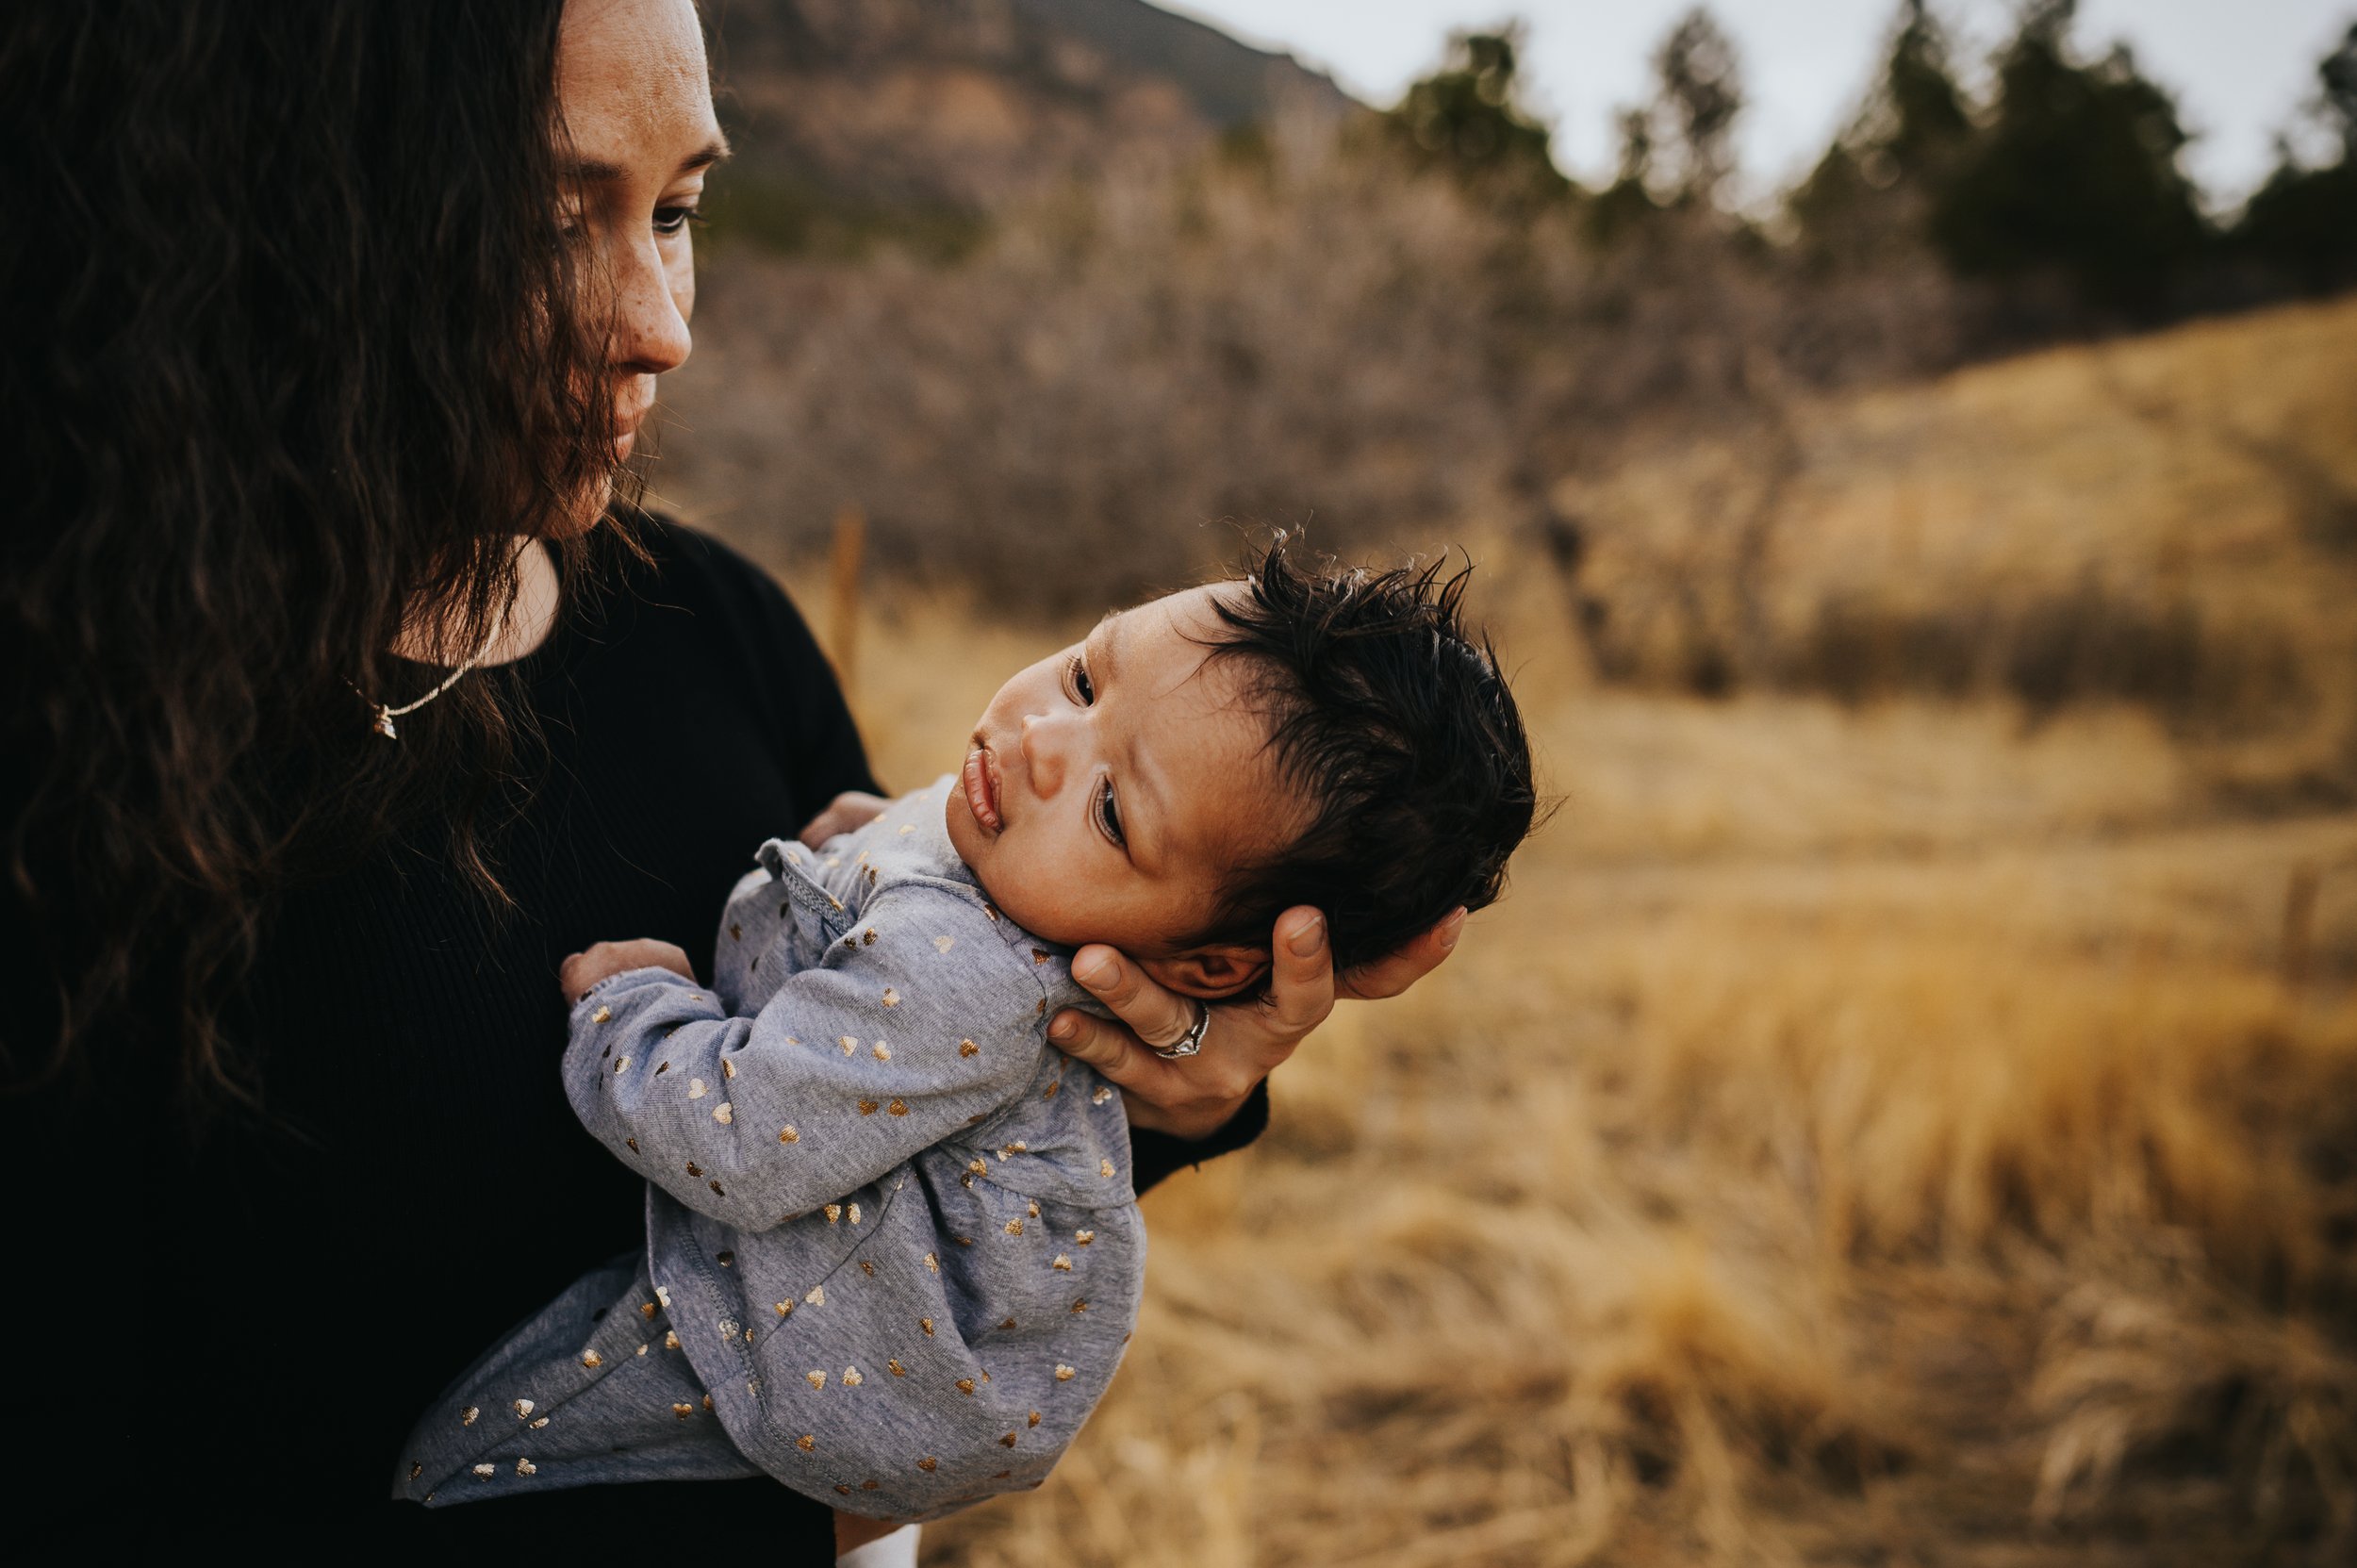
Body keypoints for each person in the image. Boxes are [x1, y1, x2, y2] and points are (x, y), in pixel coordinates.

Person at [0, 0, 1463, 1552]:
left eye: (679, 210)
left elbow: (898, 1168)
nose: (661, 322)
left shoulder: (714, 627)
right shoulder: (75, 766)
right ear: (273, 213)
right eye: (547, 223)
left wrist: (1154, 1075)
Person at [393, 549, 1537, 1532]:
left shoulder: (975, 976)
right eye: (1087, 674)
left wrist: (631, 1007)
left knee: (474, 1453)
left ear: (1204, 968)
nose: (1045, 739)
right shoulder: (1011, 856)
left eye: (1111, 811)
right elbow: (924, 871)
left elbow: (735, 1138)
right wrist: (862, 845)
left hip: (787, 1344)